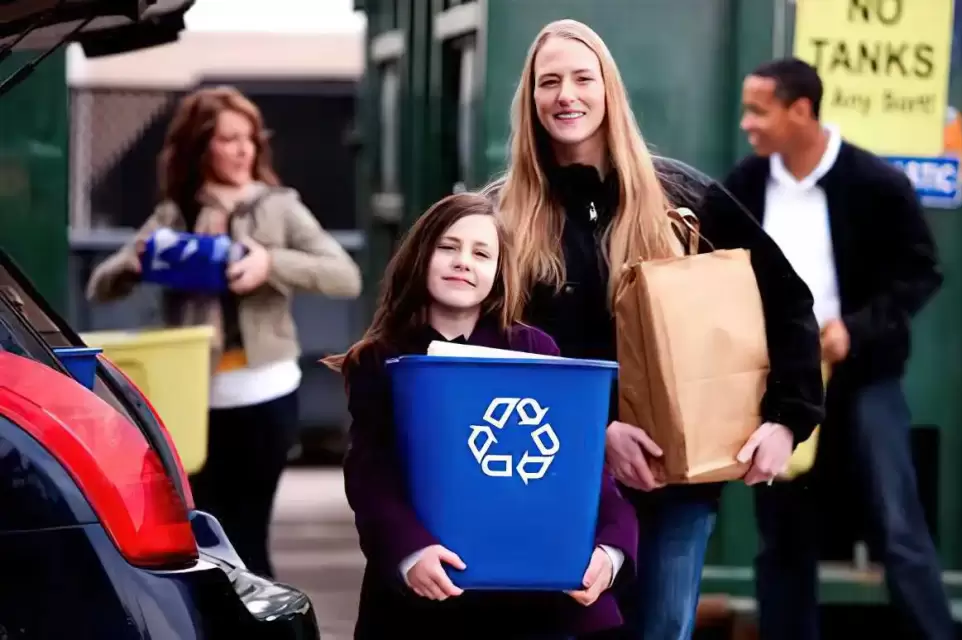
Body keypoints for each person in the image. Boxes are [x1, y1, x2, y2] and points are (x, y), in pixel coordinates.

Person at [485, 19, 825, 640]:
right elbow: (485, 356)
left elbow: (786, 299)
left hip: (672, 481)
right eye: (549, 81)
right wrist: (595, 432)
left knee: (661, 629)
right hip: (548, 473)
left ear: (610, 90)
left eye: (583, 78)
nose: (567, 95)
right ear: (530, 100)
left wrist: (788, 418)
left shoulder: (682, 196)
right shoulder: (500, 216)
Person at [325, 192, 639, 639]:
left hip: (533, 598)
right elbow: (370, 474)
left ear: (499, 271)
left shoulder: (534, 351)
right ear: (419, 256)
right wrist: (410, 552)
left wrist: (610, 550)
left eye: (481, 253)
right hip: (431, 593)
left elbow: (582, 470)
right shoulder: (381, 359)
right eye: (448, 247)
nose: (463, 262)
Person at [86, 86, 362, 579]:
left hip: (265, 389)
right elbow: (100, 286)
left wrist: (270, 263)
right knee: (204, 533)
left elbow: (344, 275)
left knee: (250, 533)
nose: (242, 150)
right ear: (201, 147)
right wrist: (143, 260)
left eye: (249, 139)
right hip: (194, 400)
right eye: (228, 139)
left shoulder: (279, 206)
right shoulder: (176, 213)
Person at [724, 58, 952, 639]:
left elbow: (921, 272)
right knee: (783, 538)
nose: (747, 123)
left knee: (898, 528)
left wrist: (856, 328)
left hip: (865, 380)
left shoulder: (876, 184)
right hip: (783, 391)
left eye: (759, 110)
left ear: (801, 111)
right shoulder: (745, 185)